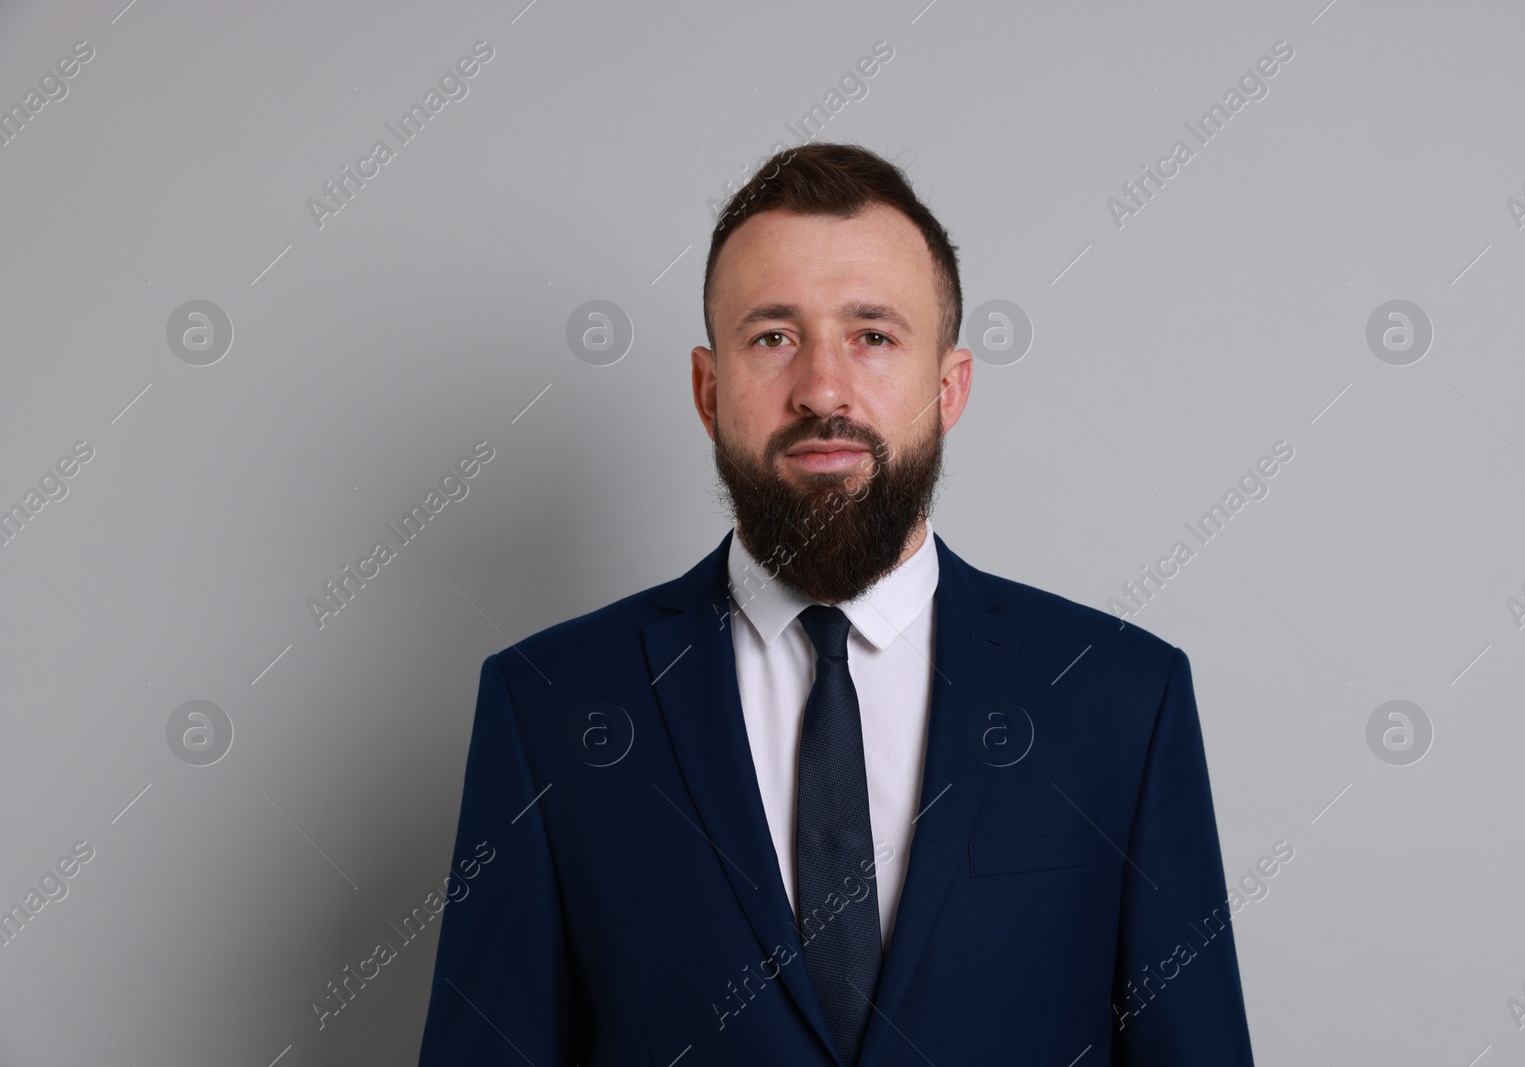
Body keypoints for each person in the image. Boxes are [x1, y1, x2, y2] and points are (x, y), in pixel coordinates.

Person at [417, 142, 1254, 1065]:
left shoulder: (1122, 702)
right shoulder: (546, 704)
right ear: (708, 389)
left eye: (874, 335)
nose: (821, 388)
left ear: (949, 388)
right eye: (773, 336)